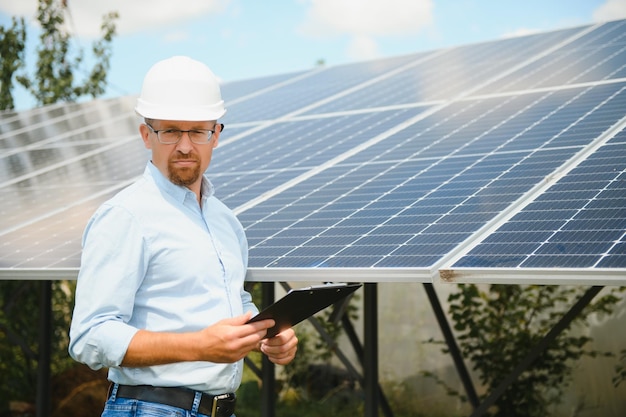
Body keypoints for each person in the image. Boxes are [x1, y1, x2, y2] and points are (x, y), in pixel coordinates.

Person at [69, 55, 298, 417]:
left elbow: (233, 302)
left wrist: (269, 334)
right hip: (148, 408)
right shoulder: (125, 216)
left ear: (216, 135)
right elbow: (90, 337)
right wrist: (199, 346)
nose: (186, 145)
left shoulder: (226, 221)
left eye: (198, 131)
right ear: (147, 135)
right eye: (171, 131)